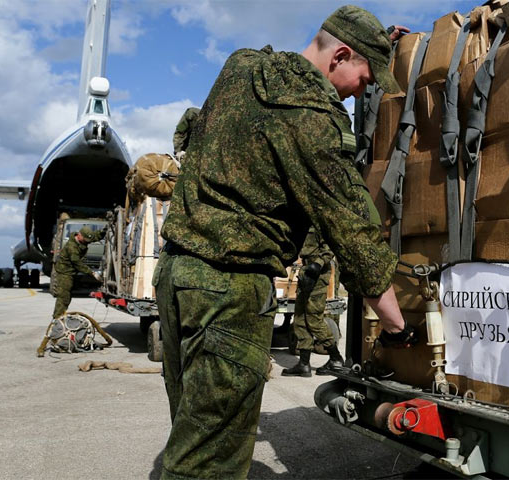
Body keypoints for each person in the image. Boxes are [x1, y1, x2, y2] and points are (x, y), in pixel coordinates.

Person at [156, 6, 417, 479]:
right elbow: (352, 229)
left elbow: (196, 130)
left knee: (193, 430)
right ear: (340, 55)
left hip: (176, 275)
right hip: (228, 294)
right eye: (366, 76)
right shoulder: (313, 116)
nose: (366, 89)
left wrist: (382, 44)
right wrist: (397, 326)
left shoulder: (240, 65)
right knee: (207, 462)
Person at [281, 228, 343, 377]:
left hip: (318, 273)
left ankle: (336, 359)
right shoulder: (303, 220)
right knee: (300, 319)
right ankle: (303, 364)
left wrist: (318, 264)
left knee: (314, 319)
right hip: (305, 270)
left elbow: (330, 245)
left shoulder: (318, 220)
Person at [51, 225, 105, 319]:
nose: (86, 242)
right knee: (64, 296)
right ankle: (57, 318)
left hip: (71, 271)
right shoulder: (72, 247)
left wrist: (104, 231)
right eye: (85, 240)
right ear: (79, 235)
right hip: (65, 272)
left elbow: (95, 236)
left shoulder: (83, 238)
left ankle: (60, 316)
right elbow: (77, 263)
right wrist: (92, 273)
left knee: (68, 295)